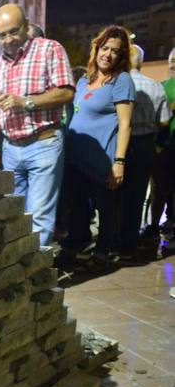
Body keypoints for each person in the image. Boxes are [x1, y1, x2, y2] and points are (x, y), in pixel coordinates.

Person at [0, 4, 75, 248]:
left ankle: (36, 275)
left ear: (27, 25)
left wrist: (26, 102)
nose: (9, 40)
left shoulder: (49, 49)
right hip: (11, 149)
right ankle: (20, 270)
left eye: (14, 31)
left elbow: (66, 92)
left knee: (40, 216)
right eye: (2, 35)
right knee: (14, 214)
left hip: (44, 143)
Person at [61, 25, 135, 266]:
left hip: (102, 159)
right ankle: (73, 246)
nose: (108, 55)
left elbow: (125, 125)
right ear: (96, 48)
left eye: (115, 51)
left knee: (105, 209)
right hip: (76, 157)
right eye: (105, 48)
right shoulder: (84, 80)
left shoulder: (122, 80)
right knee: (77, 206)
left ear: (121, 55)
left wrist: (119, 162)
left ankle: (102, 252)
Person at [115, 44, 169, 260]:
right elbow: (164, 120)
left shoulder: (118, 84)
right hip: (145, 145)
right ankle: (129, 244)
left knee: (116, 194)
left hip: (121, 143)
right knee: (137, 196)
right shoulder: (156, 86)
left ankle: (112, 239)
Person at [144, 47, 175, 239]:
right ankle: (152, 225)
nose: (173, 63)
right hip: (164, 146)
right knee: (159, 190)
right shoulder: (162, 86)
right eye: (172, 59)